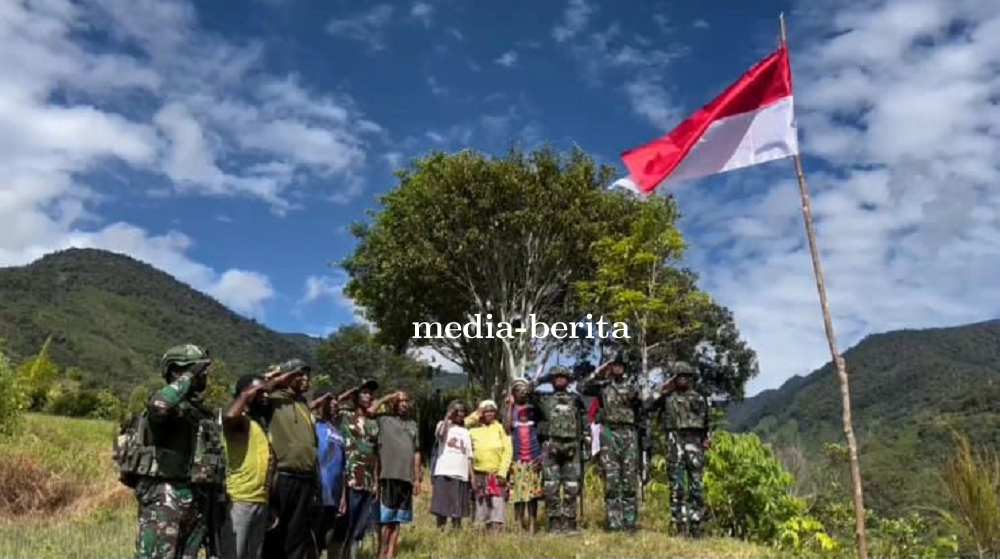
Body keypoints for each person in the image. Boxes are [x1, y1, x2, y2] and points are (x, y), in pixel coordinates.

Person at [134, 344, 225, 559]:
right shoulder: (165, 407)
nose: (204, 377)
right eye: (199, 372)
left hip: (196, 499)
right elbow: (159, 406)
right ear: (177, 372)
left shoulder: (200, 412)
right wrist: (187, 378)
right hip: (165, 499)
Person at [219, 372, 285, 559]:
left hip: (260, 502)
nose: (265, 395)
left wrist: (270, 504)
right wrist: (245, 394)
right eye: (260, 391)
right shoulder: (239, 423)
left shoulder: (260, 424)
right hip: (239, 501)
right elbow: (230, 416)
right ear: (246, 393)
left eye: (266, 392)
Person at [262, 358, 320, 559]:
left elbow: (314, 445)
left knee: (296, 538)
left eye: (307, 374)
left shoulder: (304, 405)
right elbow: (251, 389)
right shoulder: (271, 398)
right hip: (281, 478)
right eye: (299, 374)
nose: (305, 378)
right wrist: (278, 379)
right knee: (274, 535)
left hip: (305, 479)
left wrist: (315, 483)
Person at [647, 362, 712, 537]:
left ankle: (696, 524)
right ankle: (680, 524)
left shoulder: (699, 398)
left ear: (690, 378)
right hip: (674, 442)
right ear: (674, 378)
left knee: (696, 485)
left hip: (695, 443)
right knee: (677, 485)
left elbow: (707, 421)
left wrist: (707, 437)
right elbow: (647, 404)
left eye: (685, 376)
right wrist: (663, 388)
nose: (682, 379)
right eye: (679, 376)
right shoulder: (666, 397)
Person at [580, 358, 643, 532]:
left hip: (629, 433)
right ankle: (614, 523)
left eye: (621, 366)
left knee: (629, 480)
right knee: (611, 479)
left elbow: (644, 407)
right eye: (614, 365)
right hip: (609, 434)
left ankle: (630, 522)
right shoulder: (603, 387)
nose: (617, 368)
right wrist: (601, 369)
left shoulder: (633, 388)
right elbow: (582, 387)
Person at [530, 366, 588, 534]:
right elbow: (527, 390)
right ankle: (554, 524)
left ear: (568, 380)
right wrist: (543, 378)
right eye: (556, 377)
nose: (560, 379)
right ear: (552, 380)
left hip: (572, 447)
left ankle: (570, 524)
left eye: (564, 377)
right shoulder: (543, 398)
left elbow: (584, 421)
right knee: (551, 488)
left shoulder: (575, 399)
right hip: (550, 447)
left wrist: (587, 444)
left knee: (571, 487)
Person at [331, 379, 381, 559]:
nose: (368, 396)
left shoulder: (374, 423)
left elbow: (375, 454)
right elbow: (332, 405)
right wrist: (349, 392)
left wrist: (375, 481)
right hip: (348, 479)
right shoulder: (345, 416)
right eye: (364, 392)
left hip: (367, 482)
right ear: (355, 396)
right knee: (343, 526)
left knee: (359, 529)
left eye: (370, 393)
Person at [374, 392, 420, 559]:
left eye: (407, 401)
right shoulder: (384, 420)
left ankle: (391, 553)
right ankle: (382, 552)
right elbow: (371, 410)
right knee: (386, 519)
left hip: (406, 478)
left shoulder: (413, 425)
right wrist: (388, 397)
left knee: (398, 518)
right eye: (400, 401)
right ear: (394, 403)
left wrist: (417, 478)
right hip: (388, 475)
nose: (404, 404)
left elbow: (416, 452)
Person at [465, 400, 512, 534]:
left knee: (497, 506)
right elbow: (461, 424)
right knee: (481, 506)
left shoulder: (500, 428)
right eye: (486, 411)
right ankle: (481, 536)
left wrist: (503, 473)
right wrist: (475, 415)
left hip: (496, 474)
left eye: (492, 410)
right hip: (479, 473)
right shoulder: (473, 429)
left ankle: (496, 535)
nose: (489, 413)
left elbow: (507, 451)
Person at [502, 379, 543, 534]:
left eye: (524, 389)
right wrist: (509, 405)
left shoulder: (534, 409)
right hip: (517, 458)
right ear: (513, 393)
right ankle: (518, 526)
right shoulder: (510, 410)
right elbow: (506, 428)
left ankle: (532, 526)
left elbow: (542, 432)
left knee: (532, 496)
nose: (522, 392)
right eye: (518, 390)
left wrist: (541, 456)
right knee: (517, 496)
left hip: (534, 457)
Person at [311, 389, 346, 559]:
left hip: (335, 494)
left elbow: (343, 466)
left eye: (336, 401)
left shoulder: (339, 433)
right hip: (318, 492)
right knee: (313, 539)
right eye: (329, 400)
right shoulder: (313, 426)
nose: (334, 404)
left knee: (332, 538)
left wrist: (343, 497)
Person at [429, 400, 474, 530]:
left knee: (458, 507)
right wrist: (447, 417)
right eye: (456, 411)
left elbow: (469, 455)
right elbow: (441, 435)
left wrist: (471, 475)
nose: (459, 414)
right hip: (444, 470)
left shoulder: (466, 432)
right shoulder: (442, 425)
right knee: (441, 506)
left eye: (462, 411)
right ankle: (440, 529)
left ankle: (456, 531)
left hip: (461, 473)